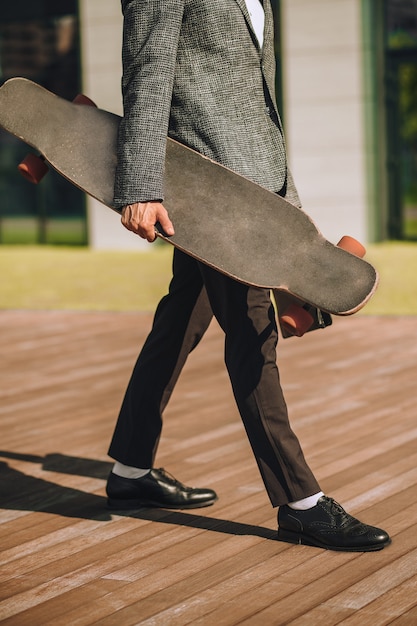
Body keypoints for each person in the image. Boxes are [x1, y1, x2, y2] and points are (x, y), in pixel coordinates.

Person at [106, 0, 390, 552]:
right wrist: (141, 184)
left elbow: (257, 107)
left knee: (177, 325)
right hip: (207, 194)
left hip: (253, 191)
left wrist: (291, 211)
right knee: (252, 334)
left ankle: (130, 469)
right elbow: (146, 66)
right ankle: (301, 502)